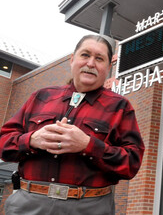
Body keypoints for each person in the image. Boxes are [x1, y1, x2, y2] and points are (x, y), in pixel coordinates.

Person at [0, 35, 145, 215]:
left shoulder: (120, 106)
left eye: (99, 58)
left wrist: (88, 145)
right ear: (72, 60)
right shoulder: (41, 97)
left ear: (108, 67)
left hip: (89, 206)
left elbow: (132, 163)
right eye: (85, 55)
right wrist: (32, 140)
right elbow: (3, 143)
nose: (91, 63)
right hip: (28, 204)